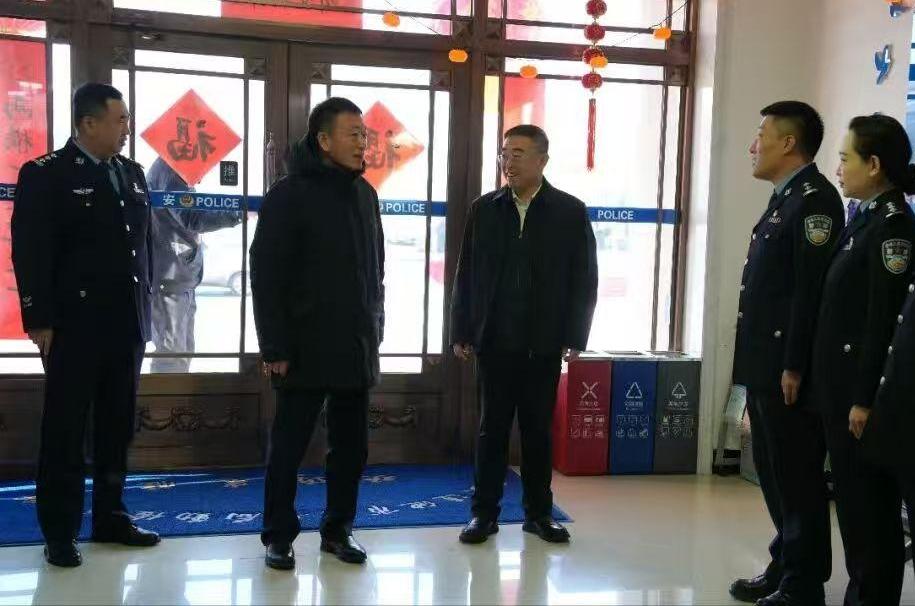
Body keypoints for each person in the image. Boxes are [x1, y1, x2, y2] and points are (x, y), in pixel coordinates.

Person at [10, 82, 160, 568]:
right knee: (66, 431)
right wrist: (38, 319)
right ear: (88, 123)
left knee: (117, 427)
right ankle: (60, 531)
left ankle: (111, 516)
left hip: (126, 323)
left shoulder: (131, 174)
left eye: (127, 119)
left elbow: (144, 248)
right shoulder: (46, 174)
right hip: (73, 325)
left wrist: (147, 308)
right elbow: (30, 251)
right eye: (119, 120)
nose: (126, 128)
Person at [250, 97, 385, 569]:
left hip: (355, 343)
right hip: (302, 346)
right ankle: (278, 535)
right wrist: (274, 346)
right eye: (353, 134)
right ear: (324, 140)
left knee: (351, 448)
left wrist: (376, 325)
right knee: (288, 447)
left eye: (364, 134)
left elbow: (376, 269)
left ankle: (338, 529)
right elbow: (266, 274)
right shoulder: (288, 194)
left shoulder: (365, 194)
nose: (362, 142)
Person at [450, 124, 598, 545]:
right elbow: (466, 273)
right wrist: (462, 329)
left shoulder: (569, 211)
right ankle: (483, 514)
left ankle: (539, 514)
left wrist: (575, 334)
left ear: (541, 160)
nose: (508, 161)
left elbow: (584, 277)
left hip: (542, 342)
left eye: (517, 153)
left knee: (537, 431)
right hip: (494, 340)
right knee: (491, 430)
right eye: (504, 153)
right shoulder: (484, 209)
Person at [729, 102, 843, 606]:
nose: (753, 146)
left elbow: (808, 294)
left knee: (797, 478)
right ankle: (786, 564)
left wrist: (794, 364)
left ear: (789, 143)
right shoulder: (786, 199)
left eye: (762, 135)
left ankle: (803, 584)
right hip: (765, 366)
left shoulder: (814, 201)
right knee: (775, 475)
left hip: (786, 370)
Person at [809, 113, 915, 606]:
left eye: (845, 158)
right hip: (841, 389)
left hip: (862, 396)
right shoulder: (865, 218)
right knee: (852, 509)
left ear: (873, 165)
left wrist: (863, 398)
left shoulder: (894, 227)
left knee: (870, 514)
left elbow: (882, 321)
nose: (838, 169)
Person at [146, 156, 241, 373]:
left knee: (181, 351)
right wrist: (236, 212)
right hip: (170, 275)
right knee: (172, 354)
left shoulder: (171, 168)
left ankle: (173, 394)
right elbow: (191, 218)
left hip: (177, 274)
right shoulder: (172, 169)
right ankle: (167, 396)